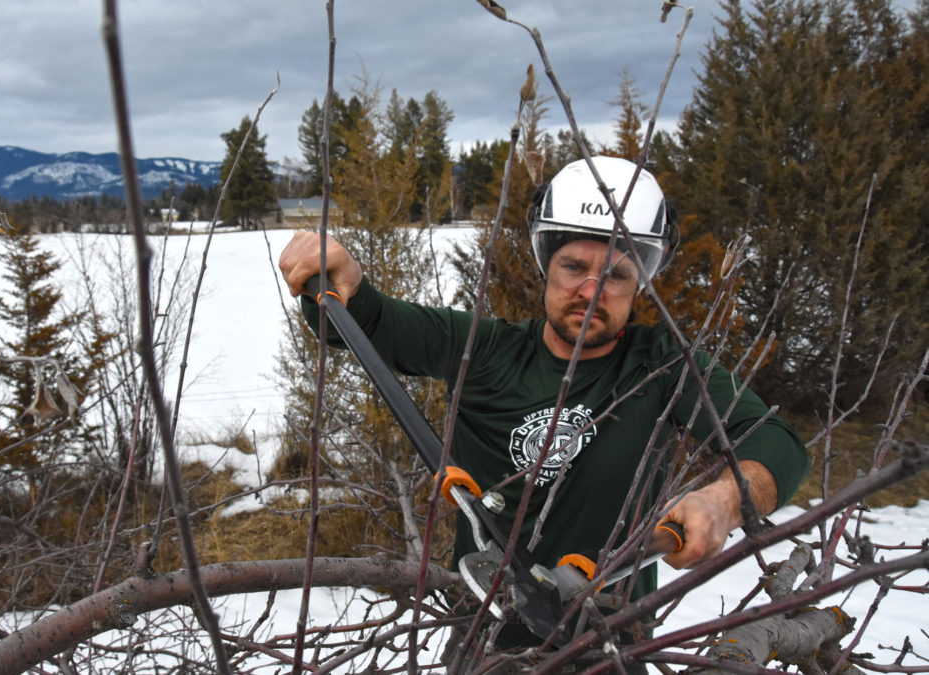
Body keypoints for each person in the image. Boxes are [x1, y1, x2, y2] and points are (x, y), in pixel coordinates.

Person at [278, 156, 808, 661]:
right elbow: (365, 322)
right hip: (483, 643)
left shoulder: (662, 366)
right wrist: (336, 274)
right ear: (545, 264)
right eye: (573, 266)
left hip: (611, 644)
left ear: (640, 282)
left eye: (617, 275)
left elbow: (776, 442)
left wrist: (723, 500)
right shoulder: (483, 350)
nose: (591, 290)